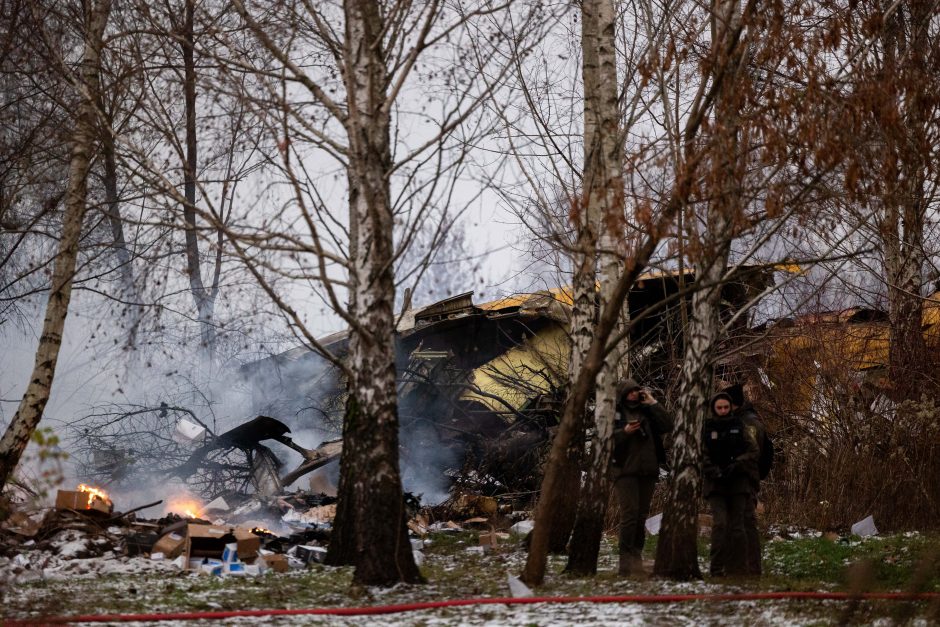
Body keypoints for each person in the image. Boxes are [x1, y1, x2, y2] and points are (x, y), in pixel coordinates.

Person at [611, 378, 673, 577]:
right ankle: (625, 563)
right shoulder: (615, 412)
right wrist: (625, 432)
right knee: (629, 515)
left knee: (640, 517)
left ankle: (636, 558)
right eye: (630, 391)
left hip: (648, 470)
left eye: (636, 390)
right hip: (625, 470)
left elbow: (667, 425)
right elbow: (606, 439)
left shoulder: (647, 411)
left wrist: (653, 403)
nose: (634, 394)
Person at [702, 391, 760, 577]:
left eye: (726, 407)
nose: (723, 410)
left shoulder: (740, 426)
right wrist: (713, 470)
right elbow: (701, 454)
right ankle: (716, 568)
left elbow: (753, 450)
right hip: (716, 483)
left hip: (738, 482)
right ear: (714, 409)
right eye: (719, 408)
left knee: (737, 527)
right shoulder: (707, 428)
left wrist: (737, 464)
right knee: (719, 524)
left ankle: (739, 568)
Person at [725, 383, 769, 576]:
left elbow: (753, 453)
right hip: (737, 478)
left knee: (747, 523)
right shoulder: (739, 419)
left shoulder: (749, 423)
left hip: (746, 479)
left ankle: (752, 567)